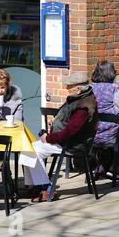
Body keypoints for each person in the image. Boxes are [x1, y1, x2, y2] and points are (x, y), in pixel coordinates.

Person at [18, 72, 98, 202]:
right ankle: (35, 187)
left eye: (69, 87)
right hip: (65, 141)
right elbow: (68, 121)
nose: (66, 89)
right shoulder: (79, 99)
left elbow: (70, 132)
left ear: (78, 89)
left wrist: (48, 138)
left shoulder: (84, 107)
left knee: (33, 151)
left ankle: (46, 189)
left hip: (73, 145)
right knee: (27, 149)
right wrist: (55, 122)